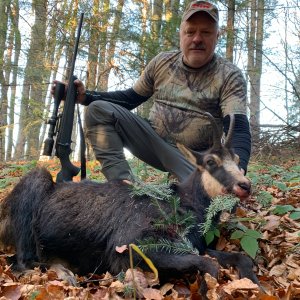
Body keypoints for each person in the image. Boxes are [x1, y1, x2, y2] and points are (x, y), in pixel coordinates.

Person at [52, 0, 251, 183]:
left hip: (198, 158)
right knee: (98, 110)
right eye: (190, 32)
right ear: (181, 35)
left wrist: (237, 168)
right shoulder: (162, 62)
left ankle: (188, 185)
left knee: (211, 200)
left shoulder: (229, 75)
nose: (197, 39)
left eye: (206, 32)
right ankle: (125, 187)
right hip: (153, 143)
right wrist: (85, 97)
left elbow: (238, 128)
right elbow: (130, 99)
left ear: (217, 36)